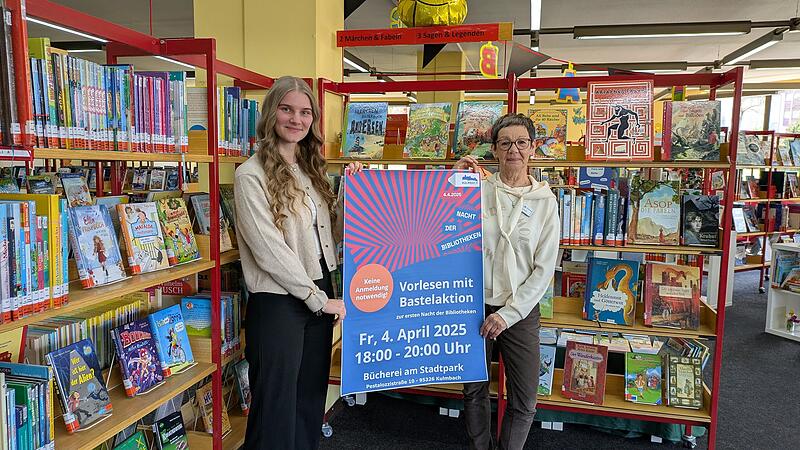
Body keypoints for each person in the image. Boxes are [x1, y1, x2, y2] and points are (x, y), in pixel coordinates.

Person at [234, 75, 362, 450]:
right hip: (279, 302)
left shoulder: (310, 170)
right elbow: (268, 250)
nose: (296, 119)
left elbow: (331, 236)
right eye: (287, 109)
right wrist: (317, 299)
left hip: (318, 294)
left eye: (305, 112)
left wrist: (351, 193)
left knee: (309, 402)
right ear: (271, 113)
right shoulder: (250, 175)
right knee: (275, 410)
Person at [454, 113, 560, 450]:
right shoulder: (477, 190)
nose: (514, 149)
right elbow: (444, 228)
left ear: (533, 148)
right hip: (474, 305)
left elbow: (543, 269)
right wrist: (452, 182)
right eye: (505, 143)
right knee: (474, 391)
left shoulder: (546, 203)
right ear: (495, 150)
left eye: (521, 142)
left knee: (525, 399)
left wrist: (508, 315)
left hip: (519, 311)